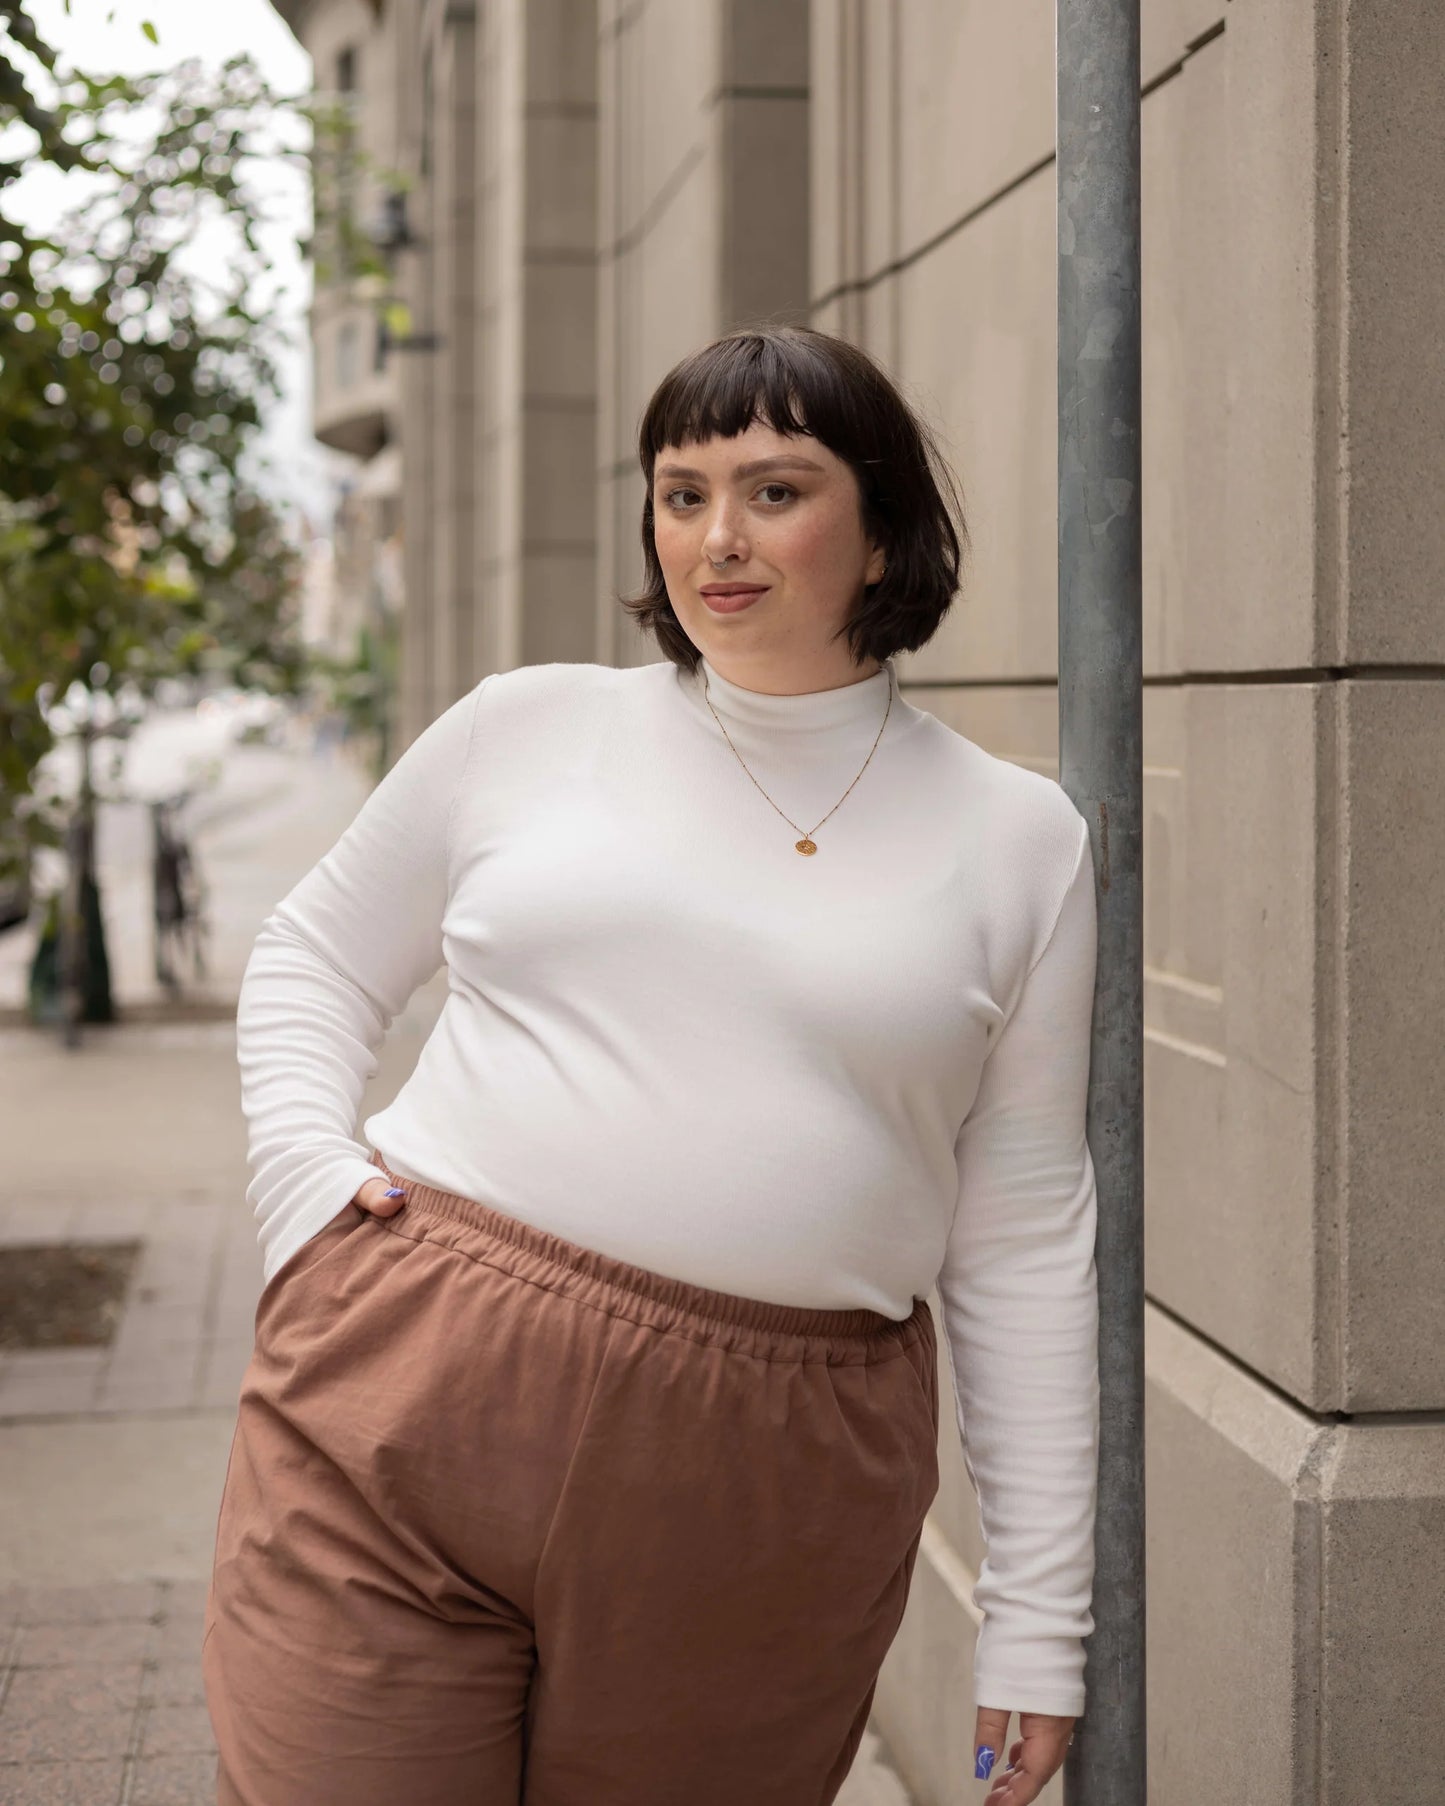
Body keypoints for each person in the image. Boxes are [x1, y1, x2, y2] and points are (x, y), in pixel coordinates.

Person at [202, 324, 1099, 1806]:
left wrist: (1037, 1622)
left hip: (767, 1469)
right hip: (411, 1387)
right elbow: (313, 955)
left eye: (772, 489)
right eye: (680, 493)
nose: (715, 537)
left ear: (882, 534)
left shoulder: (1016, 837)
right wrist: (306, 1179)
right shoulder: (530, 726)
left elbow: (1019, 1239)